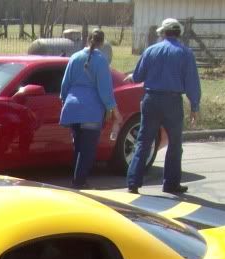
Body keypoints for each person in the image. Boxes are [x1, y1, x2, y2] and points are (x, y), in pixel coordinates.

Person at [125, 17, 201, 195]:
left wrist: (132, 77)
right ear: (179, 34)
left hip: (151, 98)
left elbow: (138, 76)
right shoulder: (185, 53)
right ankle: (171, 184)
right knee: (175, 143)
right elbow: (192, 83)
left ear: (163, 32)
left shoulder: (151, 50)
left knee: (143, 142)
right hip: (172, 101)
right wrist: (195, 106)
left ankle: (133, 183)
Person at [59, 29, 119, 189]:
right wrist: (112, 109)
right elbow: (105, 90)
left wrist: (64, 102)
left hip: (73, 107)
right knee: (88, 149)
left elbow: (65, 85)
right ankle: (80, 182)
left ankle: (76, 179)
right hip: (91, 110)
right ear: (102, 42)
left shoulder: (74, 57)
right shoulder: (101, 60)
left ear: (87, 40)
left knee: (78, 146)